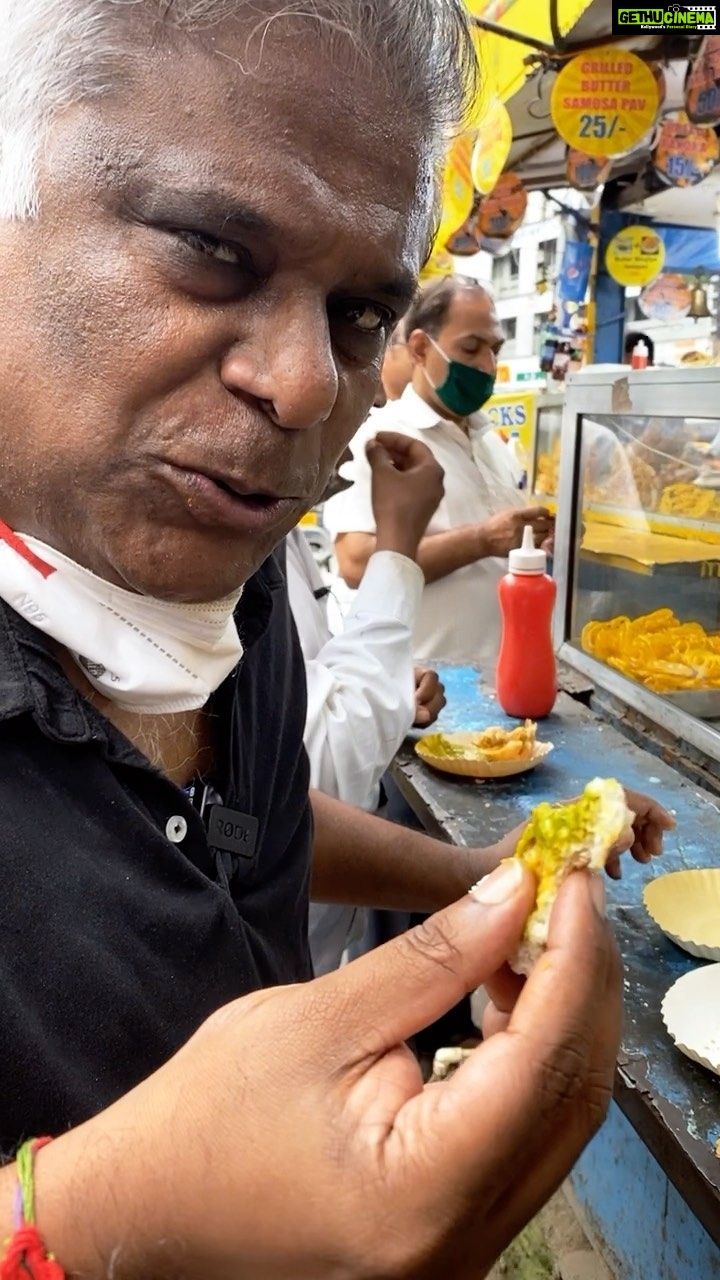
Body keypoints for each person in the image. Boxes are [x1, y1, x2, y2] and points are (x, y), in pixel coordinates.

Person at [0, 2, 674, 1276]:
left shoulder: (232, 585)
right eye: (210, 247)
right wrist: (87, 1213)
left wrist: (497, 889)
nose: (310, 386)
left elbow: (259, 826)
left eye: (360, 313)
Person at [325, 276, 555, 670]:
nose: (487, 366)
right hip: (420, 690)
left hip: (500, 680)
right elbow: (356, 564)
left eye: (494, 349)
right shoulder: (383, 440)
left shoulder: (492, 444)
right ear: (419, 348)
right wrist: (481, 540)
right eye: (470, 348)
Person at [287, 431, 446, 974]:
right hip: (273, 967)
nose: (374, 395)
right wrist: (399, 542)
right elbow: (314, 777)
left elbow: (306, 671)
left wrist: (386, 682)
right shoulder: (216, 552)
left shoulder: (283, 542)